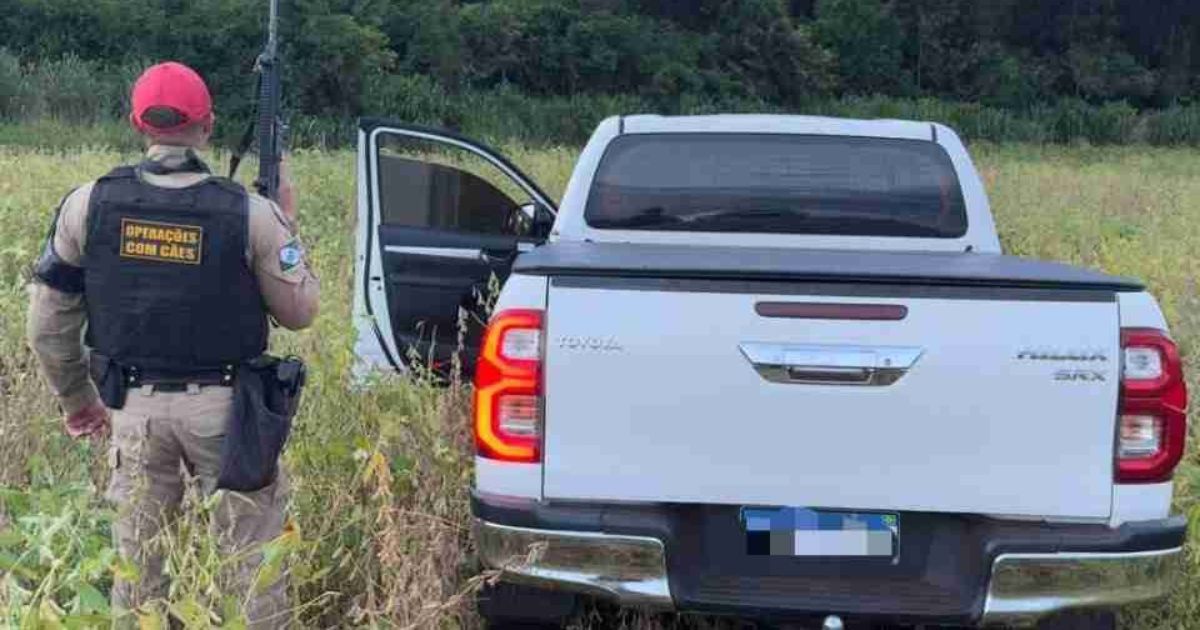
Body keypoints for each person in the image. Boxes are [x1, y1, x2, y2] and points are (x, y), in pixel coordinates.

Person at [25, 61, 319, 628]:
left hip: (132, 411)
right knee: (250, 566)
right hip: (228, 416)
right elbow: (299, 312)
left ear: (137, 123)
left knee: (138, 574)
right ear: (207, 126)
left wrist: (78, 401)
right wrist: (286, 222)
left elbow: (47, 323)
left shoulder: (87, 204)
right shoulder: (250, 212)